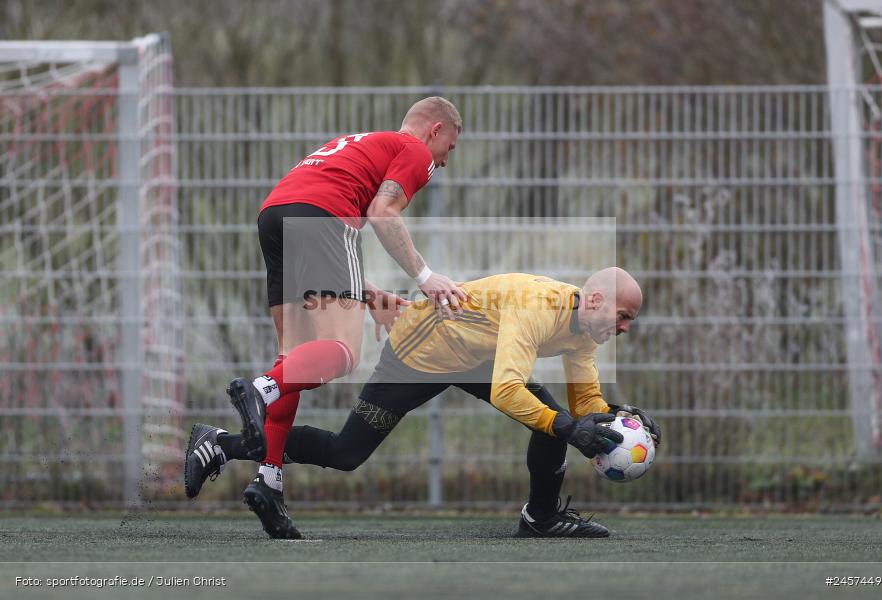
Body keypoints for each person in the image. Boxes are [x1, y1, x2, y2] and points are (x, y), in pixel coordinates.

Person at [186, 268, 661, 538]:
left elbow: (586, 402)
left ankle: (541, 518)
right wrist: (569, 427)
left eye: (629, 321)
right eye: (623, 316)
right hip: (418, 354)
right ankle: (222, 444)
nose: (624, 328)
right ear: (595, 300)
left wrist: (615, 420)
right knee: (346, 453)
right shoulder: (538, 308)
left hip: (473, 357)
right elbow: (507, 391)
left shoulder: (587, 329)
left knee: (553, 421)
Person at [192, 97, 468, 538]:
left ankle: (269, 481)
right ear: (435, 129)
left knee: (294, 359)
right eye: (449, 147)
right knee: (342, 354)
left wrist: (366, 293)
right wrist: (426, 277)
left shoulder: (360, 143)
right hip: (324, 216)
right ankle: (260, 390)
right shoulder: (414, 149)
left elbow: (320, 221)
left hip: (274, 215)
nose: (445, 161)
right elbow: (382, 213)